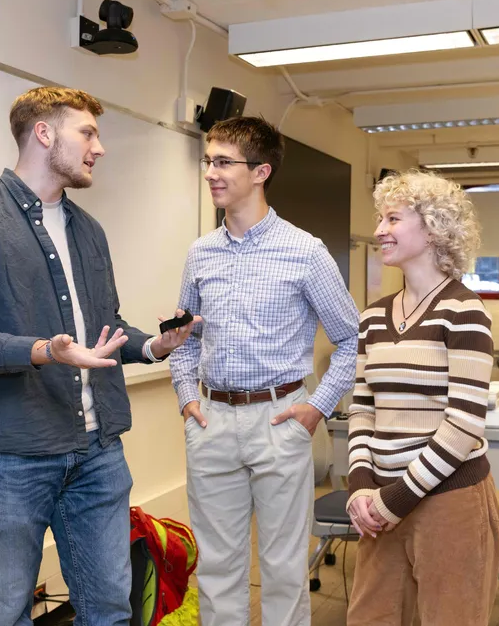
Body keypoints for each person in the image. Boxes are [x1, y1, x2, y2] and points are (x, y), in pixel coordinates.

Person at [0, 87, 198, 626]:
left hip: (96, 452)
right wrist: (42, 351)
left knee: (110, 610)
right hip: (8, 456)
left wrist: (151, 345)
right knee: (4, 613)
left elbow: (105, 326)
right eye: (88, 133)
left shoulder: (88, 230)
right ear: (45, 134)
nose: (100, 147)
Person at [169, 116, 360, 626]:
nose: (210, 172)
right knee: (218, 570)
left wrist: (316, 409)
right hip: (210, 421)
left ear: (261, 172)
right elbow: (183, 338)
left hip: (280, 420)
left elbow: (350, 340)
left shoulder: (305, 251)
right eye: (208, 161)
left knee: (281, 570)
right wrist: (188, 398)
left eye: (223, 162)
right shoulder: (200, 252)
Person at [345, 170, 499, 626]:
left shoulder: (464, 310)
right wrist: (360, 486)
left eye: (393, 218)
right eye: (379, 218)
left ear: (432, 229)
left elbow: (464, 424)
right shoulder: (372, 316)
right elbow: (362, 407)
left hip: (446, 501)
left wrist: (395, 499)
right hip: (379, 502)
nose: (378, 231)